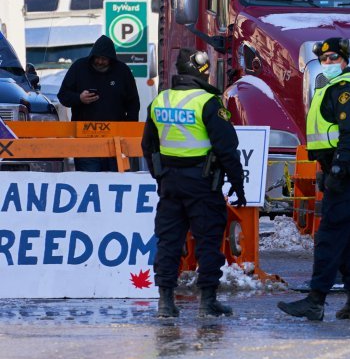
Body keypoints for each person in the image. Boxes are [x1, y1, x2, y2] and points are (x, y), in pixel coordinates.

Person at [278, 37, 350, 321]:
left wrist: (337, 168)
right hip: (346, 171)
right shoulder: (333, 88)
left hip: (349, 173)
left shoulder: (347, 89)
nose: (328, 63)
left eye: (334, 58)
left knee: (329, 237)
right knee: (346, 239)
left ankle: (315, 300)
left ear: (345, 60)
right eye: (324, 59)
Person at [141, 49, 246, 319]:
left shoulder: (160, 100)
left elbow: (148, 145)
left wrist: (159, 175)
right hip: (202, 184)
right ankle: (207, 301)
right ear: (200, 71)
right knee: (208, 242)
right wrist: (237, 183)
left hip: (170, 185)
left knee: (168, 242)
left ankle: (165, 302)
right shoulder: (208, 102)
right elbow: (226, 148)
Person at [57, 34, 139, 171]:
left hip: (116, 141)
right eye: (97, 58)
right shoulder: (79, 67)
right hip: (86, 140)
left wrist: (129, 131)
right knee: (89, 180)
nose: (100, 62)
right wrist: (79, 98)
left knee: (116, 182)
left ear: (111, 59)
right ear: (92, 56)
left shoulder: (122, 71)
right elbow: (63, 96)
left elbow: (133, 103)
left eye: (104, 59)